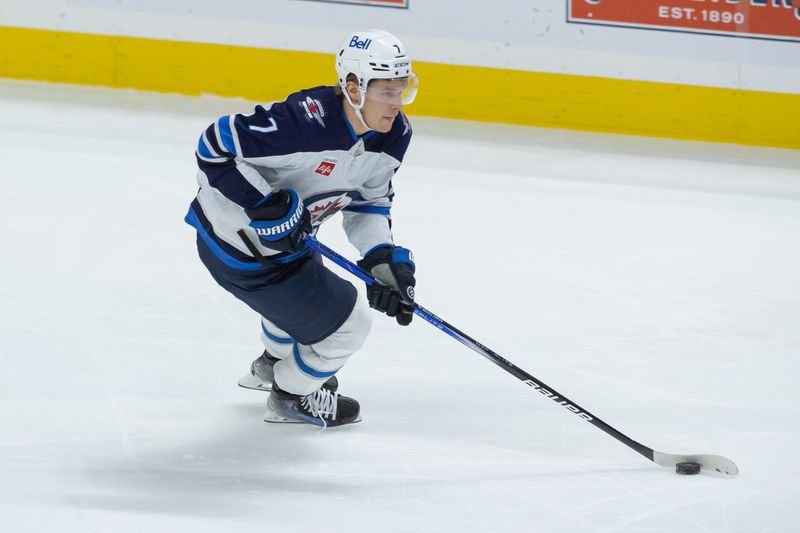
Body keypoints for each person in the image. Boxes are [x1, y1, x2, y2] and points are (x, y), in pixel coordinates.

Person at [184, 29, 418, 428]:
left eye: (402, 91)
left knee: (304, 289)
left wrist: (381, 260)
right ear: (353, 87)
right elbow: (213, 147)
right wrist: (263, 204)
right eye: (386, 92)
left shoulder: (394, 136)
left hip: (283, 247)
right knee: (349, 325)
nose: (396, 105)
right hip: (240, 249)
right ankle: (291, 396)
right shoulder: (303, 122)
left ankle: (270, 365)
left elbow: (369, 202)